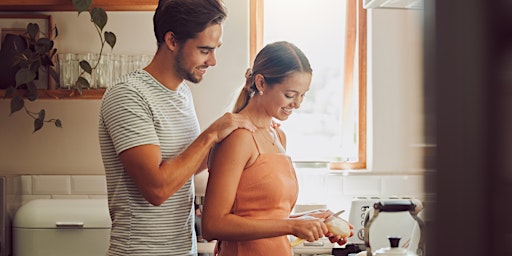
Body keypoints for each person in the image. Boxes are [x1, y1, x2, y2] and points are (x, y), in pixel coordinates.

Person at [98, 0, 256, 255]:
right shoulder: (128, 95)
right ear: (172, 41)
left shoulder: (181, 93)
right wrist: (212, 133)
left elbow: (184, 167)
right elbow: (157, 189)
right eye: (205, 50)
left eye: (215, 49)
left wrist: (233, 136)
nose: (213, 61)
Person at [201, 41, 354, 256]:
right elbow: (213, 225)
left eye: (303, 95)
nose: (297, 104)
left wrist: (308, 220)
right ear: (261, 83)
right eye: (290, 95)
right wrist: (291, 226)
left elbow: (263, 217)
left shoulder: (278, 135)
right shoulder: (239, 138)